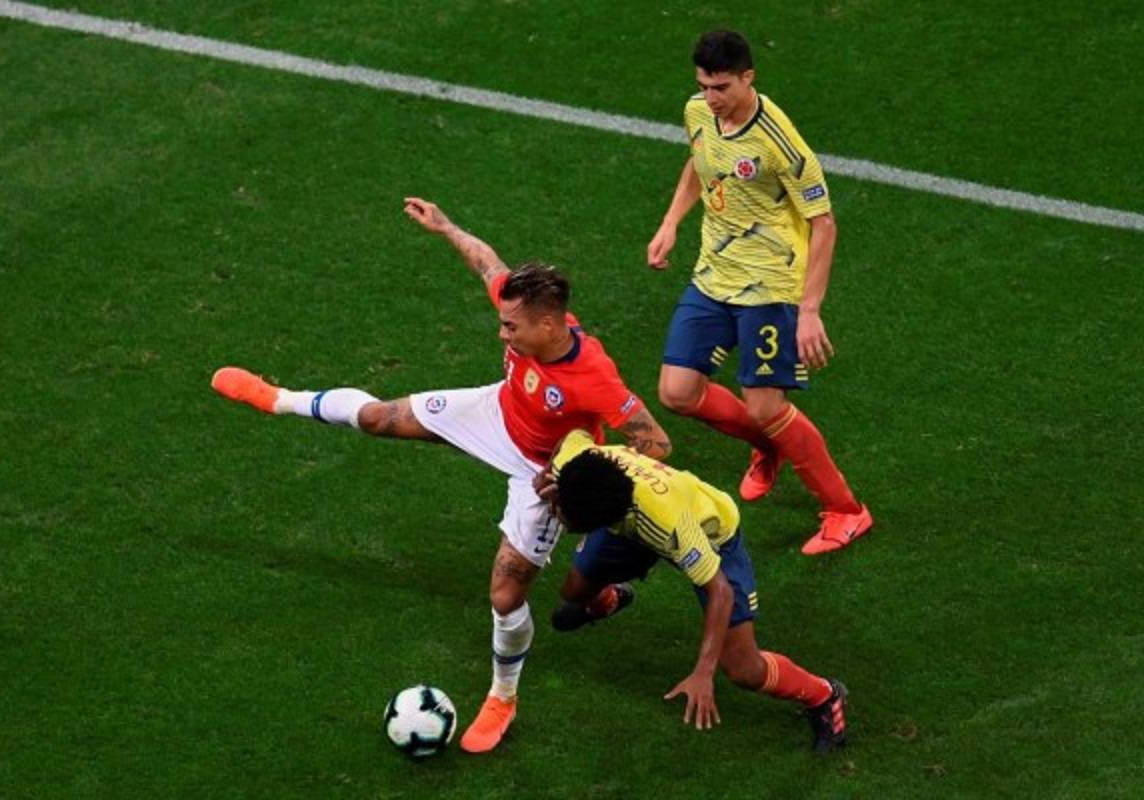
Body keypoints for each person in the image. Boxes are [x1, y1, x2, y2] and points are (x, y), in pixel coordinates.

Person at [210, 198, 671, 754]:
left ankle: (504, 696)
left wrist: (579, 477)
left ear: (549, 325)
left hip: (541, 472)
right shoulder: (523, 313)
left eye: (512, 327)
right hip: (495, 413)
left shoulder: (592, 376)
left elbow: (654, 442)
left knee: (505, 594)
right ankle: (277, 398)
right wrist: (446, 226)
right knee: (379, 416)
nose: (502, 335)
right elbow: (485, 262)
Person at [645, 29, 871, 554]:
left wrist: (810, 309)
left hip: (770, 284)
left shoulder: (780, 142)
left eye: (721, 86)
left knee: (767, 404)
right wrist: (671, 221)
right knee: (676, 392)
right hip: (713, 275)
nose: (710, 97)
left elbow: (825, 223)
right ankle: (767, 445)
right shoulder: (698, 113)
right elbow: (701, 165)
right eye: (703, 85)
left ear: (748, 77)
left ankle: (846, 511)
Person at [538, 428, 847, 752]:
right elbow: (574, 436)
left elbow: (720, 591)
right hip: (632, 521)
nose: (557, 514)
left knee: (743, 669)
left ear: (600, 518)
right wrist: (547, 474)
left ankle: (825, 695)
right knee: (574, 589)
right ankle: (609, 600)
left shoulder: (668, 523)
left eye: (566, 515)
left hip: (711, 538)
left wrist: (703, 672)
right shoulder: (574, 465)